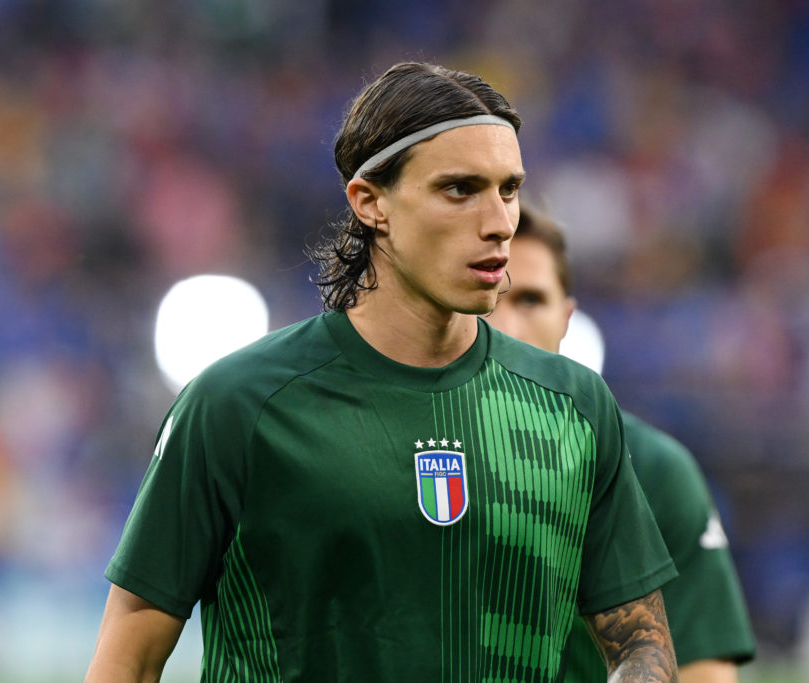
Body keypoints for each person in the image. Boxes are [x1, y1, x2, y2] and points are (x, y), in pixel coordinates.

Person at [85, 62, 681, 682]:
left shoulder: (574, 404)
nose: (501, 222)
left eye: (509, 189)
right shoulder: (237, 404)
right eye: (459, 189)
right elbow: (127, 659)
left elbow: (644, 645)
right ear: (370, 203)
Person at [485, 204, 756, 682]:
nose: (506, 326)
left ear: (567, 317)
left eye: (529, 300)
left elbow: (703, 673)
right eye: (488, 298)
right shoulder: (396, 451)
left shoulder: (652, 472)